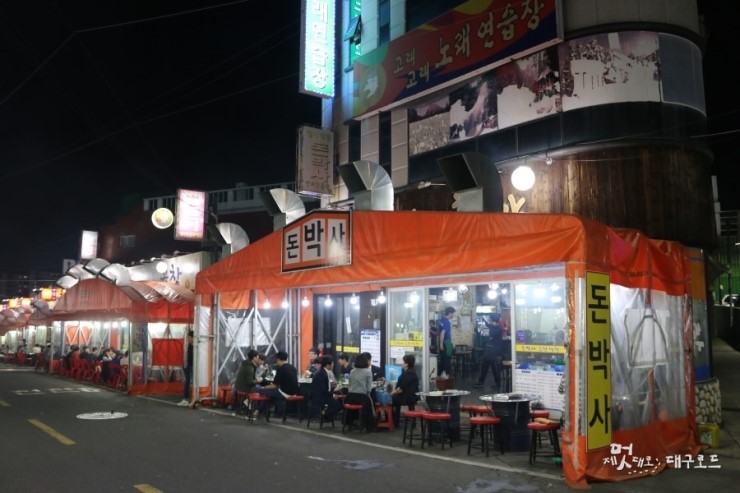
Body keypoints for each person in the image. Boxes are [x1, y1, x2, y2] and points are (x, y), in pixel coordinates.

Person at [256, 350, 300, 417]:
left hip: (284, 393)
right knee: (268, 394)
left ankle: (256, 409)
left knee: (258, 389)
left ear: (278, 359)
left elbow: (274, 386)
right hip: (294, 393)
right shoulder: (293, 367)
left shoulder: (281, 369)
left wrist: (264, 387)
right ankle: (258, 411)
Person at [473, 313, 505, 390]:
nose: (490, 321)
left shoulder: (499, 329)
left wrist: (485, 326)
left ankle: (498, 383)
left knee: (495, 368)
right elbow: (486, 328)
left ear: (493, 320)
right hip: (488, 350)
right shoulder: (493, 327)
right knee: (484, 366)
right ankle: (481, 381)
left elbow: (491, 333)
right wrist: (484, 322)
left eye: (490, 319)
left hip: (494, 351)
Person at [345, 353, 375, 432]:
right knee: (370, 402)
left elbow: (350, 385)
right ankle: (366, 425)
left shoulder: (352, 371)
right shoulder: (368, 372)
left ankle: (350, 423)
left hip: (350, 397)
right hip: (362, 398)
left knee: (352, 407)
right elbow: (369, 389)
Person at [310, 355, 342, 419]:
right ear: (327, 365)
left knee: (338, 400)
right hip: (319, 397)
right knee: (338, 406)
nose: (333, 364)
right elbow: (323, 389)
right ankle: (323, 413)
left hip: (322, 395)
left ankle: (326, 416)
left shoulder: (323, 371)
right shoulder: (321, 374)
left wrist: (333, 391)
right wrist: (332, 395)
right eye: (332, 363)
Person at [391, 354, 420, 428]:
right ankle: (395, 421)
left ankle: (393, 421)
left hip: (408, 397)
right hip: (405, 395)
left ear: (407, 364)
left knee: (390, 400)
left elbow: (402, 388)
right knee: (392, 398)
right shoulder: (406, 371)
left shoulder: (410, 373)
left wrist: (392, 393)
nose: (401, 363)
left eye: (403, 362)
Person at [438, 306, 456, 378]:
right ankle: (446, 376)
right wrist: (441, 344)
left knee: (443, 360)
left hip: (443, 342)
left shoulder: (440, 320)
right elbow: (442, 333)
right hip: (446, 342)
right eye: (453, 313)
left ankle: (440, 375)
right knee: (447, 360)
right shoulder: (446, 322)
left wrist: (440, 343)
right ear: (449, 313)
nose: (453, 315)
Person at [178, 331, 194, 407]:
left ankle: (188, 399)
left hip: (192, 367)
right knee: (187, 382)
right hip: (188, 366)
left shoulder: (195, 346)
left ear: (193, 338)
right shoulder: (189, 345)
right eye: (188, 337)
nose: (188, 339)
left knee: (190, 382)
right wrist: (185, 364)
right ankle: (186, 399)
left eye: (189, 337)